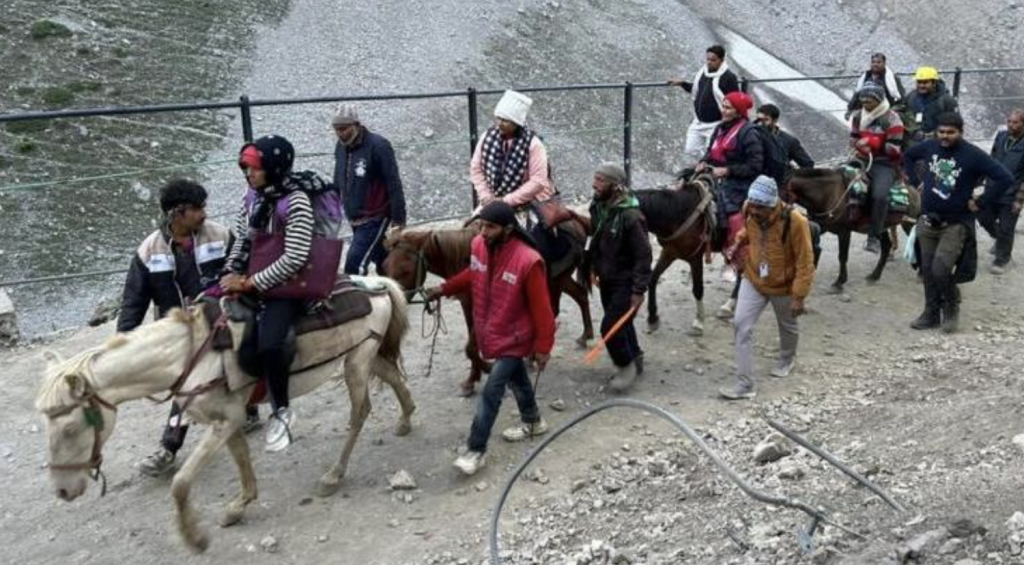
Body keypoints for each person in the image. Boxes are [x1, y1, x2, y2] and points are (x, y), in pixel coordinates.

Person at [118, 179, 259, 477]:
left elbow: (243, 269)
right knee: (189, 386)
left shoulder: (220, 235)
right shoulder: (148, 251)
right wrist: (124, 343)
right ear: (177, 214)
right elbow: (134, 301)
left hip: (221, 319)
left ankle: (169, 448)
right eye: (197, 209)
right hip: (178, 332)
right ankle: (173, 444)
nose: (204, 214)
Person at [424, 200, 555, 476]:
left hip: (516, 336)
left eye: (490, 227)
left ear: (508, 229)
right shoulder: (479, 247)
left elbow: (543, 310)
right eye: (481, 225)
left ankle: (476, 449)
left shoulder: (528, 261)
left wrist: (543, 347)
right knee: (517, 376)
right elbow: (474, 273)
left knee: (492, 391)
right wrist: (443, 288)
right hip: (494, 329)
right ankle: (533, 421)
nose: (483, 231)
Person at [224, 134, 325, 452]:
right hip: (253, 275)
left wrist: (252, 283)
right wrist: (230, 271)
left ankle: (281, 409)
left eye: (254, 168)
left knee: (269, 343)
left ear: (274, 167)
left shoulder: (295, 201)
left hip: (288, 285)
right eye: (246, 168)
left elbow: (295, 256)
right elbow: (242, 238)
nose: (248, 174)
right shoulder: (252, 197)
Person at [904, 112, 1013, 333]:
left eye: (951, 132)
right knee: (927, 269)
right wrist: (917, 182)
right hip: (927, 220)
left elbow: (1005, 178)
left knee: (941, 269)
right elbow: (908, 156)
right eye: (941, 132)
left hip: (955, 223)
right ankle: (931, 313)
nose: (945, 136)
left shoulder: (973, 155)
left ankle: (952, 307)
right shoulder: (929, 146)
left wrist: (981, 201)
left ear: (960, 133)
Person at [720, 176, 815, 400]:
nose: (754, 210)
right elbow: (748, 231)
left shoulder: (796, 222)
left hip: (783, 285)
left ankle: (787, 358)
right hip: (753, 278)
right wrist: (737, 243)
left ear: (772, 204)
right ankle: (744, 385)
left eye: (760, 207)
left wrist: (799, 296)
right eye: (752, 205)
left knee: (788, 325)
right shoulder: (749, 210)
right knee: (741, 325)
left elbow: (805, 261)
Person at [584, 163, 653, 393]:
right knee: (623, 322)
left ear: (615, 186)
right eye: (595, 178)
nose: (595, 184)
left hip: (626, 281)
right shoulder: (598, 206)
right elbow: (595, 236)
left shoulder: (631, 216)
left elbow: (644, 256)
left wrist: (638, 291)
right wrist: (592, 266)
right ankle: (636, 356)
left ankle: (625, 366)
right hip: (606, 278)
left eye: (601, 180)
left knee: (610, 327)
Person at [332, 105, 406, 275]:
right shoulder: (341, 147)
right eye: (336, 129)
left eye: (343, 129)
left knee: (354, 264)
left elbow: (393, 183)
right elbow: (338, 178)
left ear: (356, 125)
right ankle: (402, 284)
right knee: (380, 257)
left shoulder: (379, 146)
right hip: (354, 217)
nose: (340, 133)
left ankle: (358, 301)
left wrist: (398, 220)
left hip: (376, 216)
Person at [850, 83, 906, 254]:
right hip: (860, 159)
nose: (865, 101)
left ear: (879, 99)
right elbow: (853, 138)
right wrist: (859, 146)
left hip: (884, 163)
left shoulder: (892, 118)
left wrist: (873, 143)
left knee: (879, 195)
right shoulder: (858, 116)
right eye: (862, 98)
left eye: (869, 98)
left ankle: (874, 236)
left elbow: (895, 149)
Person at [669, 45, 740, 164]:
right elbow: (697, 90)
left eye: (713, 60)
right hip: (699, 121)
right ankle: (701, 168)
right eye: (708, 59)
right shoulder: (702, 73)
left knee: (712, 154)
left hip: (716, 123)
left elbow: (736, 100)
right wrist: (682, 84)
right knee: (690, 150)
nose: (709, 62)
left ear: (721, 60)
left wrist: (731, 121)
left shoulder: (728, 77)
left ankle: (709, 174)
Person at [979, 109, 1024, 274]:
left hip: (1012, 192)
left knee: (1007, 227)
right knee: (984, 218)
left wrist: (1019, 199)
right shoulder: (1001, 136)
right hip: (993, 187)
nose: (1011, 125)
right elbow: (991, 159)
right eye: (1009, 121)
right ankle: (1001, 241)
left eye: (1016, 122)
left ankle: (1002, 259)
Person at [755, 103, 815, 182]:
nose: (761, 124)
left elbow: (807, 164)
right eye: (759, 120)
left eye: (765, 120)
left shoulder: (788, 141)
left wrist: (790, 179)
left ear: (775, 120)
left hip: (777, 185)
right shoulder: (751, 136)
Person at [905, 66, 959, 142]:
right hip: (915, 141)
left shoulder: (946, 100)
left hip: (939, 141)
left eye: (925, 82)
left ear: (934, 83)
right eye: (919, 82)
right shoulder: (911, 96)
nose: (921, 85)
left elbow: (955, 123)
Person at [846, 52, 906, 118]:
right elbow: (857, 94)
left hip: (885, 114)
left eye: (879, 62)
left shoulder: (891, 79)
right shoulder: (866, 77)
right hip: (866, 114)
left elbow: (901, 98)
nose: (875, 64)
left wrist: (892, 111)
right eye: (873, 62)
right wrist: (849, 109)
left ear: (884, 63)